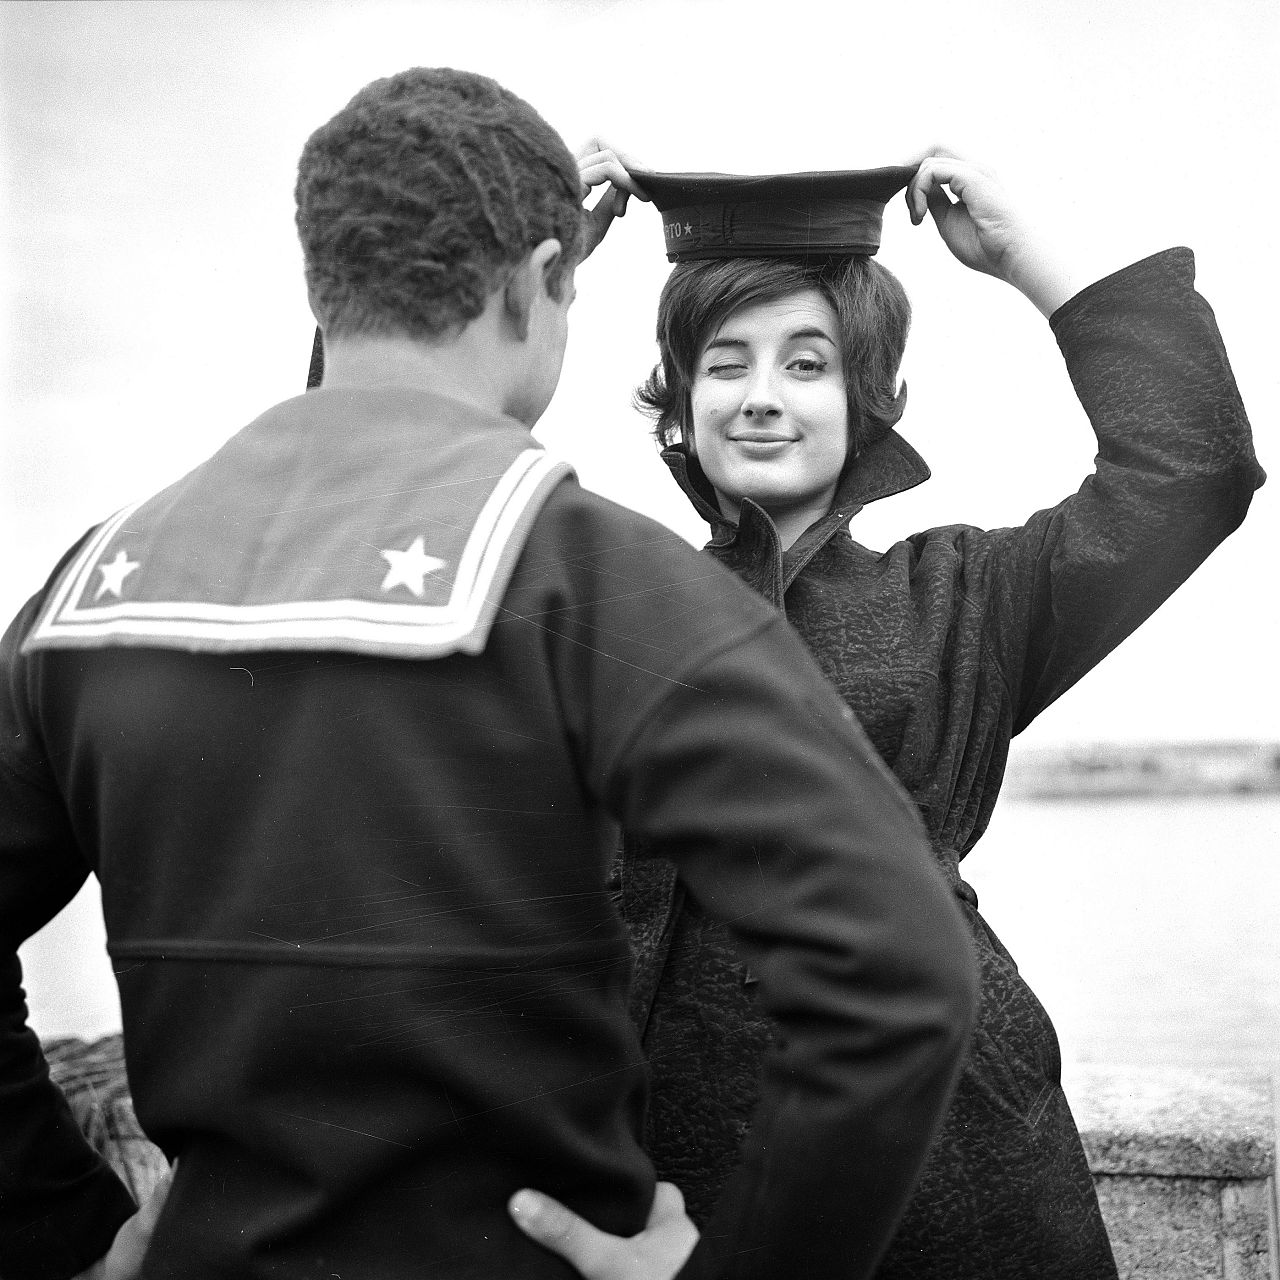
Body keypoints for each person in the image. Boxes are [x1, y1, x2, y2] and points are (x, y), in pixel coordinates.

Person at [0, 70, 980, 1280]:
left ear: (323, 285)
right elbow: (897, 972)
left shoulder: (96, 583)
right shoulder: (594, 577)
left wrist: (60, 1235)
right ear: (538, 285)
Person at [564, 147, 1264, 1278]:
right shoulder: (593, 602)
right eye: (722, 364)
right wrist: (519, 274)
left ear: (867, 400)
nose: (758, 395)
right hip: (676, 1187)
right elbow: (356, 560)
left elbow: (1192, 469)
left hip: (968, 1167)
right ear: (679, 406)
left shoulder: (963, 598)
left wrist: (1032, 258)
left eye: (806, 362)